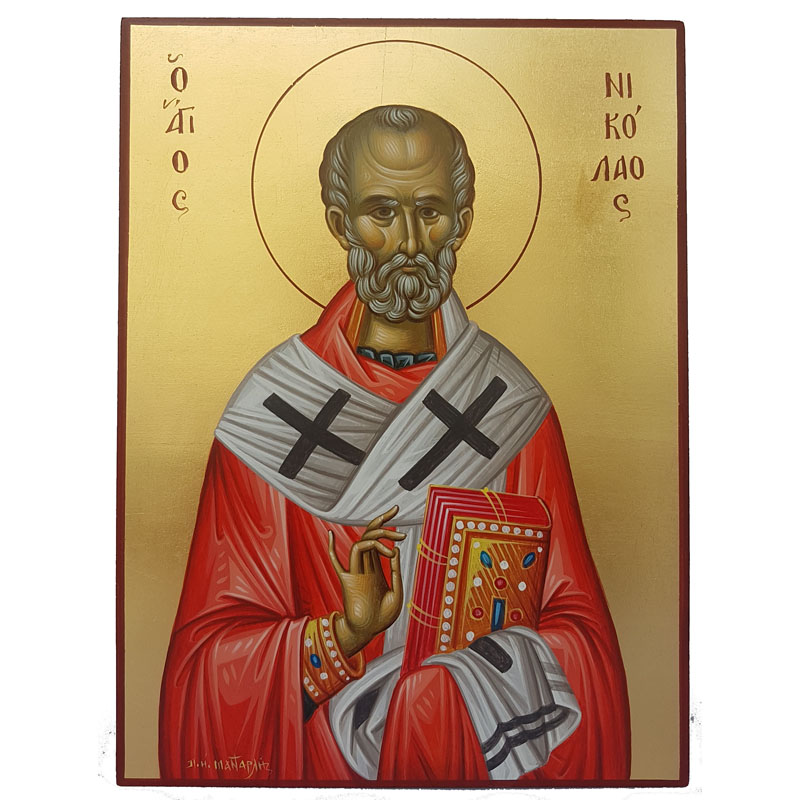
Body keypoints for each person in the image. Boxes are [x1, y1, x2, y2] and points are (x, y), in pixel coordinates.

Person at [159, 105, 631, 784]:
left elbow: (584, 641)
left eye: (430, 211)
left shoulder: (511, 407)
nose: (409, 241)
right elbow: (207, 666)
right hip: (329, 767)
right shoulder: (269, 414)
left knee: (430, 698)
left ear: (462, 221)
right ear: (339, 223)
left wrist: (464, 680)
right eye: (381, 211)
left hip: (478, 753)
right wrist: (342, 635)